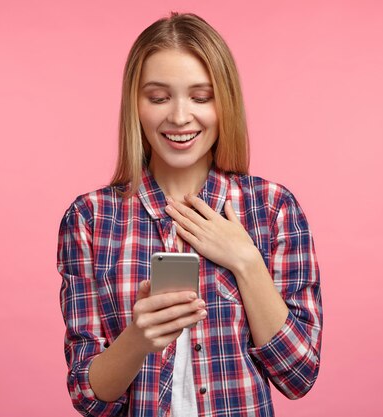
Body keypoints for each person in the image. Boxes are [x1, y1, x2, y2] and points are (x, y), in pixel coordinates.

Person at [57, 12, 322, 417]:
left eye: (200, 97)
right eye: (159, 97)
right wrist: (136, 339)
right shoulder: (91, 219)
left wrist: (247, 261)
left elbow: (298, 375)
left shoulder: (272, 208)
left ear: (225, 102)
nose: (180, 117)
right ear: (135, 104)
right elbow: (88, 397)